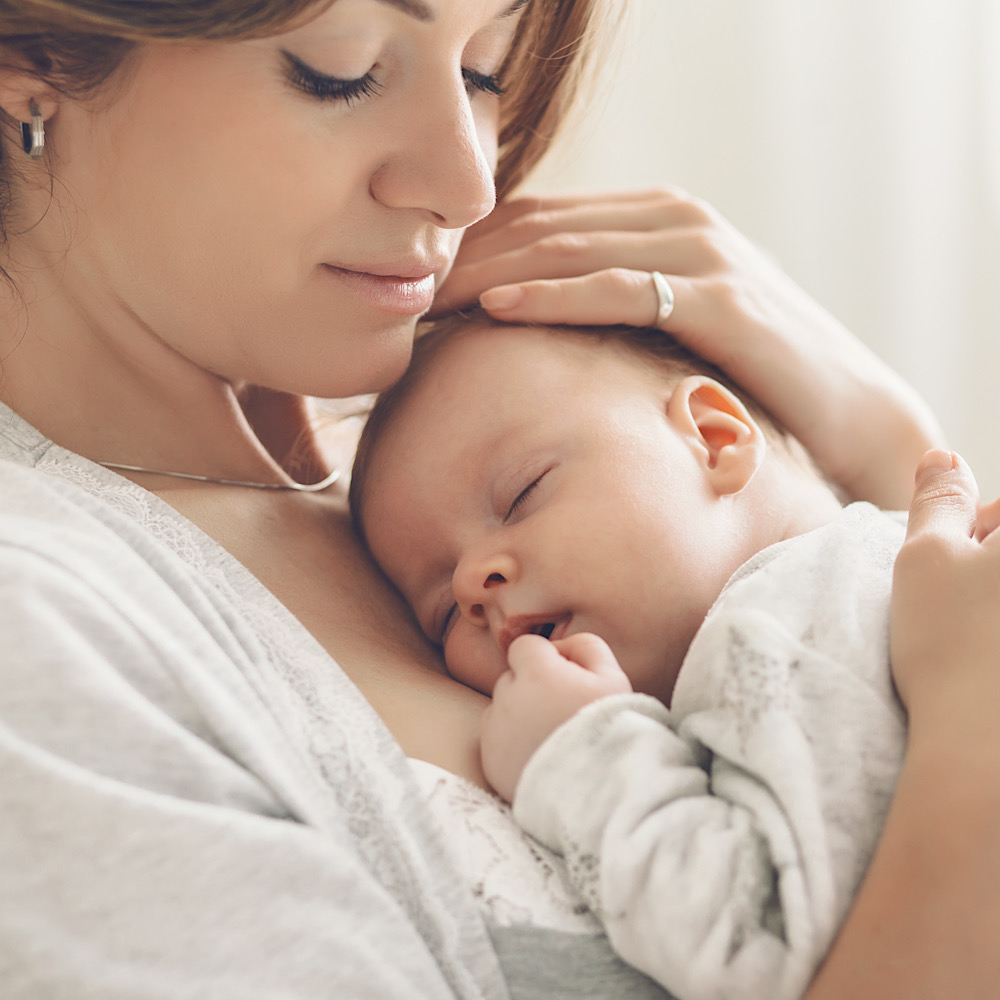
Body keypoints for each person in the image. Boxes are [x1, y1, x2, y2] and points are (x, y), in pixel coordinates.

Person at [1, 0, 997, 997]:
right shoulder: (43, 624)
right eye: (341, 71)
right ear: (31, 49)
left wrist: (884, 453)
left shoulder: (473, 456)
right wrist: (972, 738)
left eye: (485, 70)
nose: (466, 183)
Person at [349, 312, 911, 1000]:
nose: (473, 582)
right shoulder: (887, 575)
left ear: (714, 438)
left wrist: (584, 753)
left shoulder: (787, 623)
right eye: (440, 614)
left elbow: (771, 950)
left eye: (522, 493)